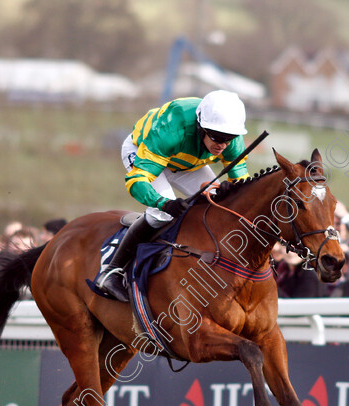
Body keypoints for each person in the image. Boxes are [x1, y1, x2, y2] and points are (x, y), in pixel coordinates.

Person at [96, 90, 250, 301]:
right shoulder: (172, 127)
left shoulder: (230, 138)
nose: (222, 144)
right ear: (200, 125)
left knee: (219, 203)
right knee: (163, 215)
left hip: (188, 162)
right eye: (216, 137)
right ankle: (111, 271)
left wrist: (230, 192)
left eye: (229, 138)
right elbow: (136, 181)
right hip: (145, 152)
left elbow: (241, 184)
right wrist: (164, 203)